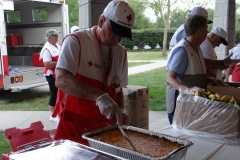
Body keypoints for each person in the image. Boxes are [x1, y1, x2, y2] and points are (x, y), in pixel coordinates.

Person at [53, 0, 135, 145]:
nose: (117, 40)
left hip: (105, 132)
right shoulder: (76, 41)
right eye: (114, 32)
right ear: (101, 20)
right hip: (75, 128)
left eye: (122, 36)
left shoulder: (121, 53)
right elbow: (61, 79)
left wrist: (121, 109)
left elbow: (118, 88)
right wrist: (99, 96)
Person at [166, 15, 226, 125]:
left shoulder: (196, 48)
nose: (207, 33)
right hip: (179, 103)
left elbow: (193, 73)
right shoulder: (182, 50)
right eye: (206, 29)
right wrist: (185, 90)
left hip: (192, 105)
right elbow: (170, 77)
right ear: (200, 31)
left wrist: (210, 80)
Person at [39, 29, 61, 122]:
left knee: (59, 93)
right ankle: (52, 115)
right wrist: (60, 62)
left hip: (57, 73)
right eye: (55, 36)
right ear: (50, 38)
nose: (57, 37)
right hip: (51, 74)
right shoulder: (47, 49)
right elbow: (47, 64)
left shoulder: (57, 46)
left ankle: (58, 112)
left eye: (57, 35)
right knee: (54, 93)